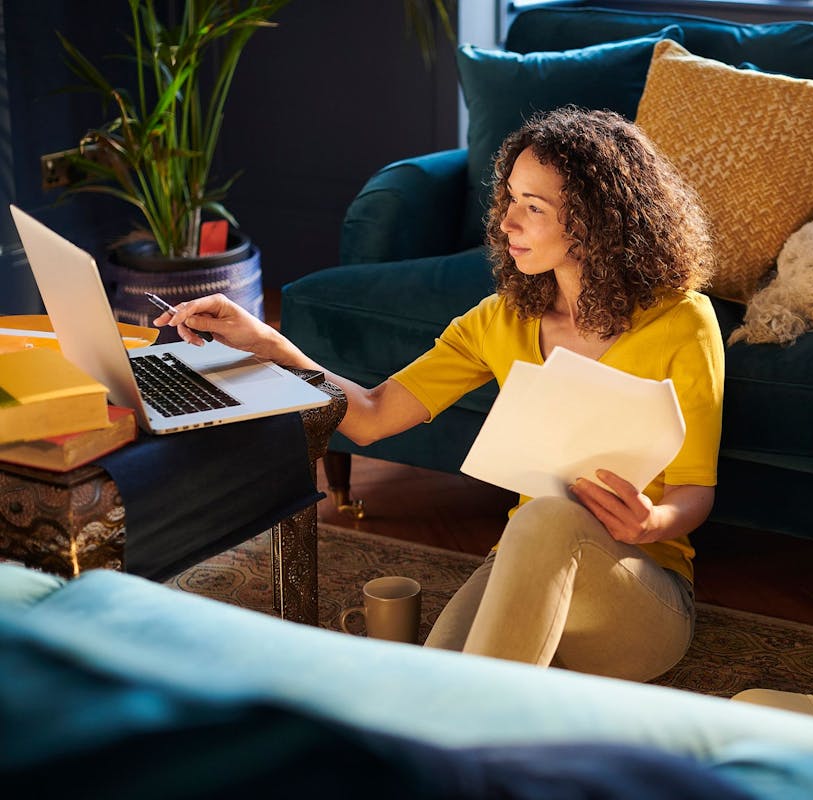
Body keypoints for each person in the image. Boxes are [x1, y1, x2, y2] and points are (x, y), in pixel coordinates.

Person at [154, 107, 724, 682]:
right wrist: (268, 344)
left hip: (639, 598)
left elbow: (695, 489)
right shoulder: (501, 320)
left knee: (548, 518)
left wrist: (651, 522)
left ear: (595, 221)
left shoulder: (682, 322)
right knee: (427, 685)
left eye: (533, 207)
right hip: (523, 568)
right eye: (509, 200)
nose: (507, 223)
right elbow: (373, 417)